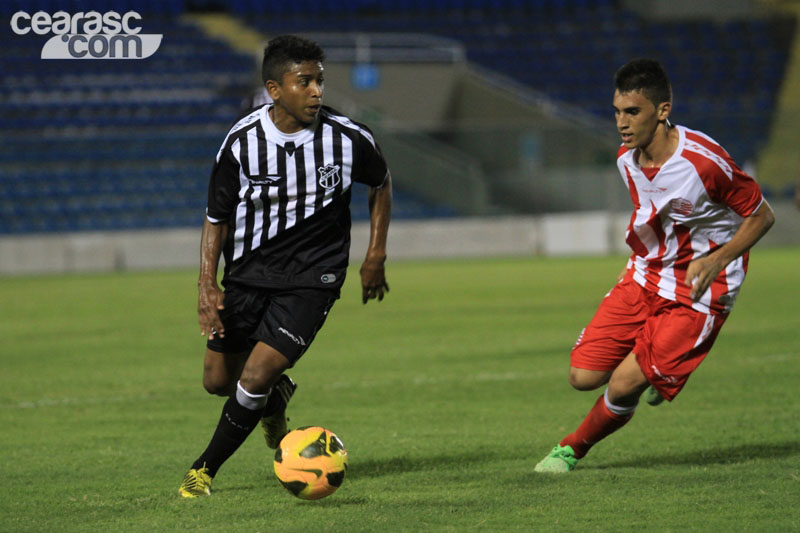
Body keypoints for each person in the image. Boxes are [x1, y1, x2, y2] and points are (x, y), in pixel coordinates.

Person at [534, 58, 775, 473]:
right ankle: (660, 367)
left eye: (633, 112)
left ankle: (571, 449)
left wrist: (717, 259)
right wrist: (636, 261)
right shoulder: (626, 160)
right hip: (646, 275)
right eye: (617, 112)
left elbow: (762, 215)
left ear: (663, 110)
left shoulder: (703, 162)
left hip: (700, 290)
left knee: (623, 384)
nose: (621, 123)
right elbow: (654, 216)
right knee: (582, 376)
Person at [179, 35, 392, 497]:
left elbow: (381, 183)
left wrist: (375, 254)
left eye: (320, 81)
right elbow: (216, 217)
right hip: (247, 274)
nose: (317, 92)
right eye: (305, 82)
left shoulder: (348, 138)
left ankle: (202, 472)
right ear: (275, 90)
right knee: (218, 381)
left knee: (255, 375)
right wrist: (206, 284)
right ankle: (275, 401)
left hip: (313, 278)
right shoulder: (241, 143)